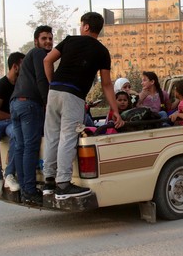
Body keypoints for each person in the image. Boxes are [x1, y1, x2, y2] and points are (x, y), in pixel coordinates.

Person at [42, 12, 124, 200]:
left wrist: (52, 83)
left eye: (81, 24)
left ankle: (49, 182)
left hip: (54, 93)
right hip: (74, 96)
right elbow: (106, 84)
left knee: (52, 136)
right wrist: (116, 111)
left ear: (86, 26)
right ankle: (63, 183)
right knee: (68, 137)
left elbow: (47, 60)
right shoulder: (102, 52)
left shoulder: (70, 41)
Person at [9, 25, 53, 206]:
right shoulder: (39, 54)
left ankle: (23, 188)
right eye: (44, 38)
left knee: (20, 147)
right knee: (30, 147)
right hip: (29, 105)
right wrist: (47, 102)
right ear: (36, 41)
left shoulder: (29, 56)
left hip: (16, 104)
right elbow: (42, 80)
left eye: (50, 38)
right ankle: (29, 190)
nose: (48, 42)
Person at [0, 51, 25, 199]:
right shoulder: (1, 85)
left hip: (11, 123)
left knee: (17, 135)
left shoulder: (22, 85)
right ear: (15, 67)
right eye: (23, 65)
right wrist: (13, 116)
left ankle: (9, 174)